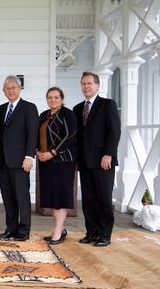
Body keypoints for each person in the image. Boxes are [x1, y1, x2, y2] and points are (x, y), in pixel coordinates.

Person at [73, 71, 120, 247]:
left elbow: (114, 131)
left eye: (89, 83)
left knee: (104, 199)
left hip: (103, 161)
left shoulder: (108, 105)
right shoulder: (78, 108)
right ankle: (91, 232)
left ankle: (105, 235)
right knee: (88, 199)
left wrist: (109, 154)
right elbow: (78, 137)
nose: (86, 87)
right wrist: (77, 160)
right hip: (85, 161)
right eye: (83, 84)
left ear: (98, 85)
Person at [0, 75, 38, 241]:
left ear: (19, 89)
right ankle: (11, 228)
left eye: (13, 88)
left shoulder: (29, 108)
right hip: (3, 161)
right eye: (8, 88)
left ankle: (24, 230)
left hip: (21, 160)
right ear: (3, 90)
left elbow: (32, 134)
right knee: (8, 197)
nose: (11, 91)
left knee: (22, 196)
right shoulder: (0, 109)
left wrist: (29, 156)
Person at [36, 87, 77, 245]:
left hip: (62, 161)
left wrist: (52, 152)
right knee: (53, 197)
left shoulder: (68, 114)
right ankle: (60, 228)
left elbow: (69, 136)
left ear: (61, 99)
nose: (52, 100)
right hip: (46, 161)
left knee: (60, 196)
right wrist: (38, 151)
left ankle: (57, 232)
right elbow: (37, 135)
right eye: (50, 97)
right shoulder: (43, 115)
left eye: (56, 97)